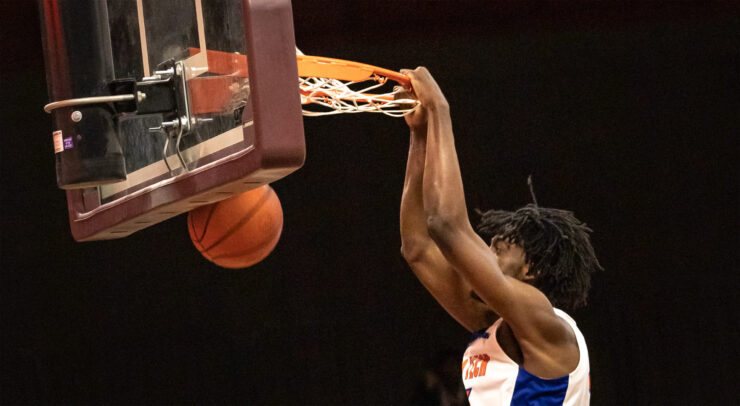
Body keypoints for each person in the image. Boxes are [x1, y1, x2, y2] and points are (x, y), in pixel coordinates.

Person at [398, 67, 602, 405]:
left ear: (531, 270)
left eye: (506, 244)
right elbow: (417, 247)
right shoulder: (492, 319)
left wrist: (440, 111)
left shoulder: (544, 322)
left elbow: (446, 227)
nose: (491, 242)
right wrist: (419, 134)